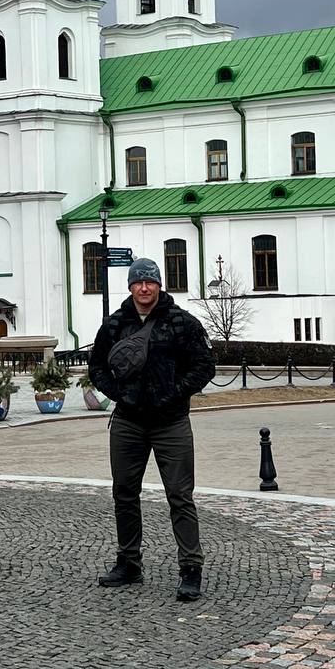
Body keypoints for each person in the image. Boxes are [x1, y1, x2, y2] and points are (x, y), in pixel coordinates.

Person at [89, 257, 216, 602]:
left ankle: (191, 568)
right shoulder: (115, 324)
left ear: (159, 285)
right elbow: (96, 366)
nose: (144, 288)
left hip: (171, 422)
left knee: (179, 496)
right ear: (130, 286)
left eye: (150, 282)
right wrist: (118, 394)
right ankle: (129, 562)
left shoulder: (181, 322)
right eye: (138, 282)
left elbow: (205, 365)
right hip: (128, 421)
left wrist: (175, 392)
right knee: (124, 493)